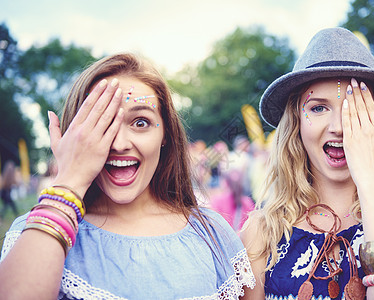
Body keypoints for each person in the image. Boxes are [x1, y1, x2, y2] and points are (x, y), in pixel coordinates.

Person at [0, 53, 255, 299]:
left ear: (165, 133)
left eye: (141, 122)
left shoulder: (213, 234)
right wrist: (70, 180)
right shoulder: (35, 234)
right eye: (102, 122)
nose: (119, 143)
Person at [240, 27, 374, 300]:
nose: (338, 127)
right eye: (318, 108)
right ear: (296, 124)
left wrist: (372, 184)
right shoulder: (261, 232)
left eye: (356, 108)